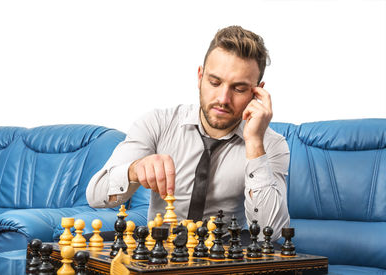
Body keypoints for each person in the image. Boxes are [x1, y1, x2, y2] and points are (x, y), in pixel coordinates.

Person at [86, 25, 290, 240]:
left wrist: (255, 143)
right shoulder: (158, 123)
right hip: (161, 249)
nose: (223, 98)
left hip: (224, 253)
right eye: (214, 82)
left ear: (257, 91)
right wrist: (134, 170)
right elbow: (96, 195)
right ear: (200, 76)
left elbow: (273, 233)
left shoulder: (271, 144)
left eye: (239, 89)